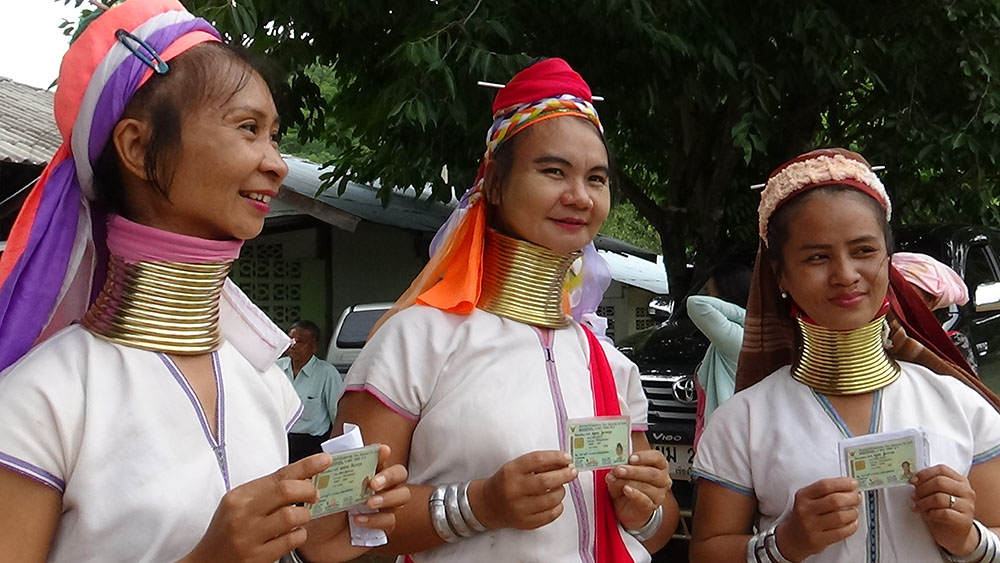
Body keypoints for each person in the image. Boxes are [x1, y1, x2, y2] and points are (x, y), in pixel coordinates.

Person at [0, 1, 408, 561]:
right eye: (248, 129)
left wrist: (333, 521)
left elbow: (292, 545)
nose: (277, 163)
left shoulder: (259, 379)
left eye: (274, 135)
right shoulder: (42, 399)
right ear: (138, 148)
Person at [336, 58, 679, 562]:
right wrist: (480, 504)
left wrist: (643, 508)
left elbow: (660, 526)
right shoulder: (416, 341)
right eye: (553, 171)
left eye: (597, 179)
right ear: (494, 184)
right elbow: (341, 522)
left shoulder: (606, 360)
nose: (579, 197)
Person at [690, 148, 1000, 563]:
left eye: (864, 251)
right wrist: (784, 543)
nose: (845, 274)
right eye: (817, 257)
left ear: (889, 260)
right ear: (780, 274)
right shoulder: (742, 421)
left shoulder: (960, 407)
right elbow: (706, 551)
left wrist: (968, 538)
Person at [687, 261, 751, 447]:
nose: (708, 296)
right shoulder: (730, 338)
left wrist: (748, 313)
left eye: (711, 292)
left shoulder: (738, 338)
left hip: (729, 439)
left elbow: (696, 304)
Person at [892, 252, 978, 371]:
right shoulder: (879, 332)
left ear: (931, 301)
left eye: (908, 296)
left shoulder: (951, 341)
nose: (897, 301)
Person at [279, 320, 345, 462]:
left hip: (310, 446)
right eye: (291, 340)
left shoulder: (327, 373)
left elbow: (337, 414)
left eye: (300, 342)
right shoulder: (276, 368)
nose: (294, 346)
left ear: (314, 347)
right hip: (280, 441)